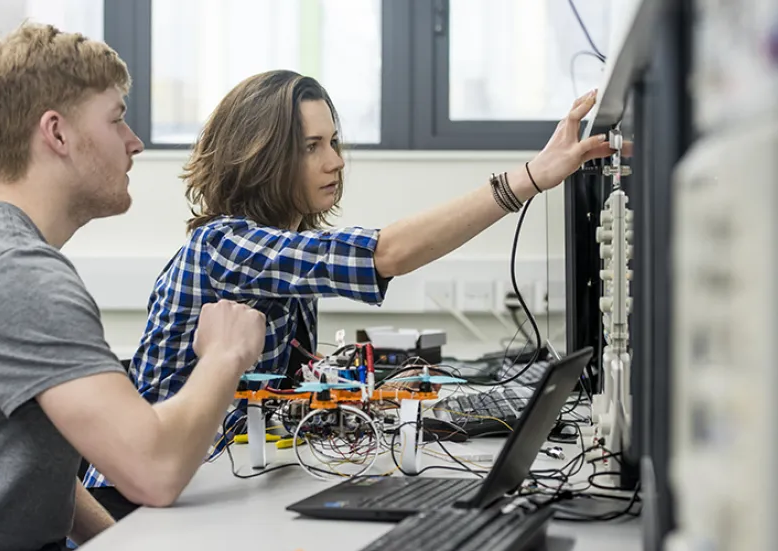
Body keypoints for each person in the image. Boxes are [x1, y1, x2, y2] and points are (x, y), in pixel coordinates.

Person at [82, 69, 617, 513]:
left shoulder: (286, 250)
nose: (335, 160)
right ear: (261, 157)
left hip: (213, 482)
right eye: (312, 146)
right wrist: (530, 177)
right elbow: (385, 254)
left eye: (333, 141)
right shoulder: (225, 248)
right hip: (135, 504)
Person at [0, 23, 266, 551]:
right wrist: (224, 355)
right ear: (57, 134)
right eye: (117, 120)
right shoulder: (11, 273)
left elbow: (35, 461)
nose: (135, 143)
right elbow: (154, 471)